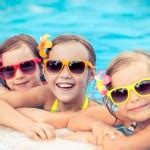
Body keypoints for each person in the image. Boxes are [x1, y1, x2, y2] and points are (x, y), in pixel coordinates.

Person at [0, 34, 116, 140]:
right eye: (54, 66)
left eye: (76, 66)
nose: (65, 75)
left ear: (91, 74)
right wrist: (28, 126)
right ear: (45, 71)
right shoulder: (45, 93)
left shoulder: (101, 110)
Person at [65, 51, 150, 150]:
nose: (134, 98)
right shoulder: (126, 118)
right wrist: (96, 125)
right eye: (120, 93)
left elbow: (124, 146)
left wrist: (92, 138)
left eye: (144, 87)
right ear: (112, 100)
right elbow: (74, 121)